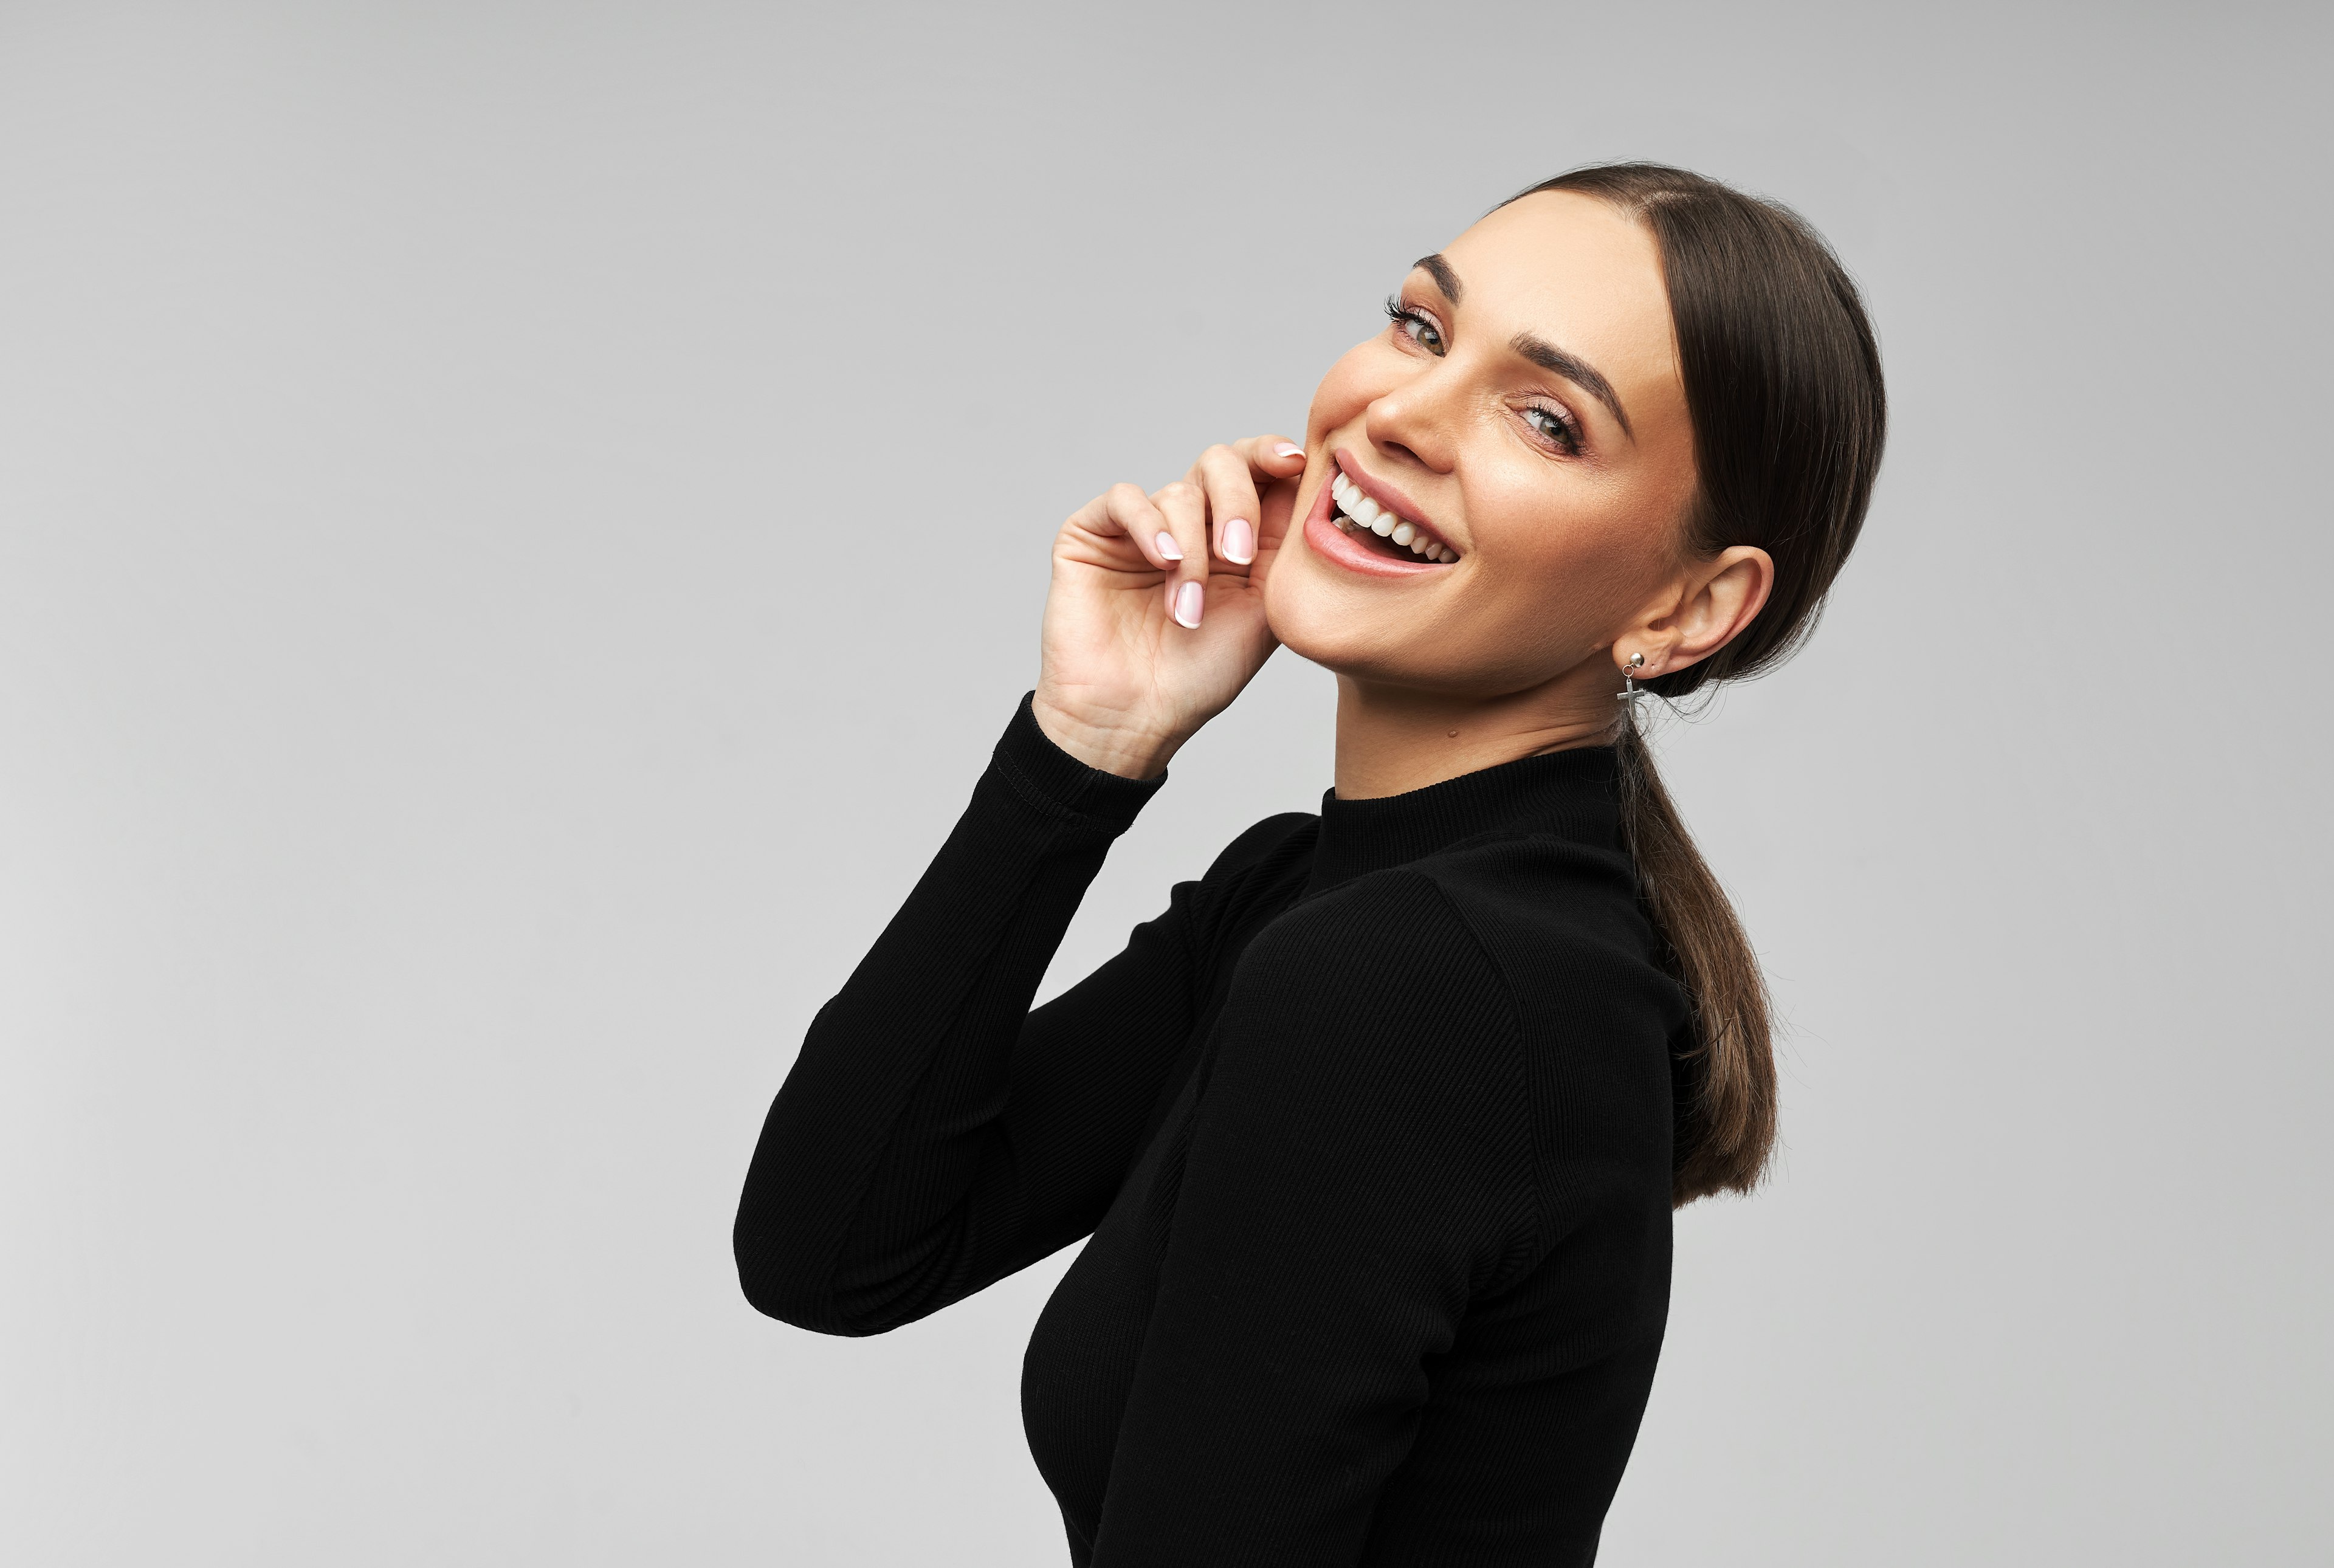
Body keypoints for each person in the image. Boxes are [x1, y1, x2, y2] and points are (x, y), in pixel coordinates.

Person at [734, 163, 1885, 1566]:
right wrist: (1085, 746)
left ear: (1688, 605)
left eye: (1544, 419)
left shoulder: (1418, 983)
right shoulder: (1319, 905)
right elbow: (836, 1246)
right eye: (1420, 330)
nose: (1399, 416)